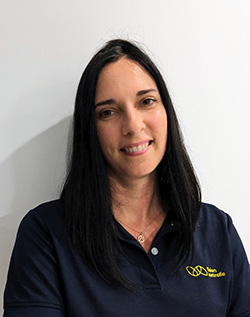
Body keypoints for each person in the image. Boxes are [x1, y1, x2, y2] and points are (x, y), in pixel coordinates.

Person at [3, 39, 250, 316]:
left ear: (166, 111)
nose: (133, 125)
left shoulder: (218, 231)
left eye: (146, 101)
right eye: (108, 112)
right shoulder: (46, 233)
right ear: (90, 130)